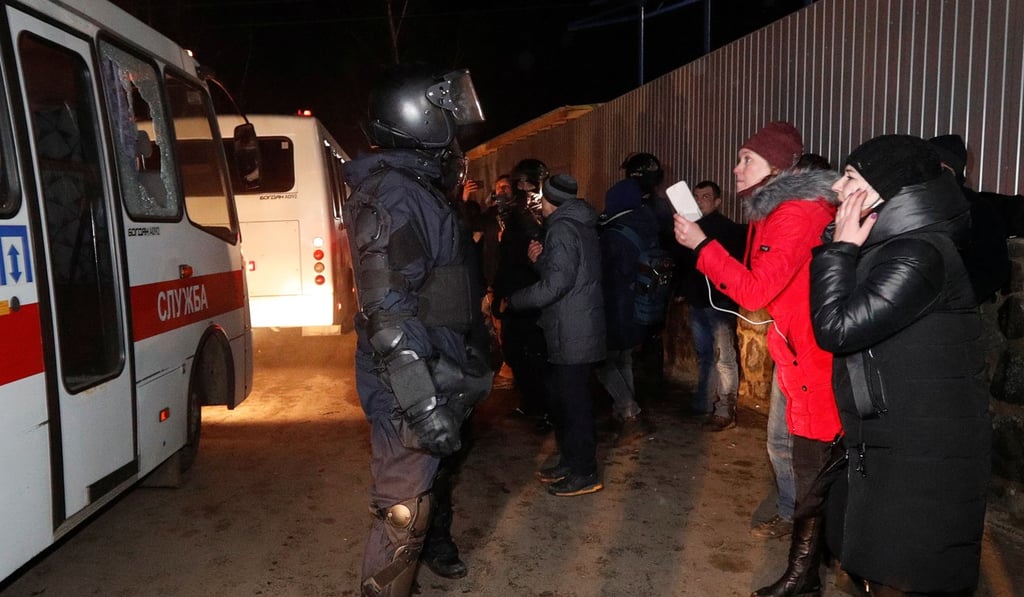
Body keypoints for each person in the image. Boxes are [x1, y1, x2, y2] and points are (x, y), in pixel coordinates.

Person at [811, 135, 992, 596]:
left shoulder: (917, 253)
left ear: (886, 188)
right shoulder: (892, 245)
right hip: (896, 440)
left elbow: (836, 328)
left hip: (921, 455)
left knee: (903, 572)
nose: (836, 186)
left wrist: (839, 249)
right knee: (878, 564)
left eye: (850, 176)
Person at [673, 121, 843, 597]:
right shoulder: (774, 212)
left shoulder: (795, 213)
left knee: (811, 464)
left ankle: (805, 573)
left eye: (748, 158)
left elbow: (753, 290)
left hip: (813, 360)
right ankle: (809, 554)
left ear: (777, 167)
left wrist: (701, 247)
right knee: (790, 452)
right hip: (794, 354)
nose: (736, 167)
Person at [343, 65, 494, 597]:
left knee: (420, 499)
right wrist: (422, 404)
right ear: (416, 116)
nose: (454, 125)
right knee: (402, 513)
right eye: (444, 110)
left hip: (435, 368)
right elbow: (387, 313)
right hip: (412, 381)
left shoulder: (415, 187)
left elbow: (441, 289)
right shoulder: (396, 194)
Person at [503, 174, 607, 496]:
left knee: (573, 405)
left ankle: (584, 472)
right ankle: (571, 462)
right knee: (564, 401)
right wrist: (539, 261)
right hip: (573, 326)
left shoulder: (562, 228)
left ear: (549, 200)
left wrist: (516, 300)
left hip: (572, 329)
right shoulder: (579, 224)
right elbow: (564, 275)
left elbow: (556, 286)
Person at [676, 180, 746, 430]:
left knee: (724, 357)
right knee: (705, 355)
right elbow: (685, 263)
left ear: (717, 201)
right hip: (698, 301)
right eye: (696, 196)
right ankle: (704, 402)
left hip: (720, 302)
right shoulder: (690, 228)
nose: (699, 200)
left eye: (706, 197)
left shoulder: (725, 228)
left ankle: (725, 411)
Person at [595, 173, 659, 445]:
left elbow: (605, 274)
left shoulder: (614, 234)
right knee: (624, 360)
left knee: (602, 361)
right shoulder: (648, 224)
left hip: (615, 306)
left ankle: (630, 413)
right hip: (639, 305)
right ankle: (622, 414)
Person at [492, 159, 551, 423]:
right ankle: (532, 402)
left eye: (522, 183)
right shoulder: (515, 215)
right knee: (518, 352)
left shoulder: (535, 215)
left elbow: (515, 258)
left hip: (532, 294)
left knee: (533, 353)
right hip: (519, 292)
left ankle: (541, 406)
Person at [928, 134, 1011, 304]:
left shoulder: (978, 210)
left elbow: (993, 268)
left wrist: (953, 302)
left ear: (953, 171)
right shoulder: (906, 201)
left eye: (942, 169)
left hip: (950, 309)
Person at [620, 152, 675, 376]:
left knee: (639, 332)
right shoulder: (660, 206)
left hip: (637, 280)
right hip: (657, 279)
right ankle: (651, 381)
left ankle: (642, 383)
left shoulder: (631, 207)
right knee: (652, 331)